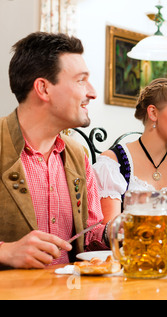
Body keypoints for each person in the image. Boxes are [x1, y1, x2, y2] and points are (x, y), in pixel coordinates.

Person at [0, 32, 108, 269]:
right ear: (43, 89)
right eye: (81, 80)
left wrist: (118, 231)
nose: (92, 92)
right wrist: (5, 251)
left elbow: (87, 235)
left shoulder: (78, 154)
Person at [93, 78, 167, 242]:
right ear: (153, 113)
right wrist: (164, 206)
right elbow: (112, 236)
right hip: (130, 263)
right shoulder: (113, 162)